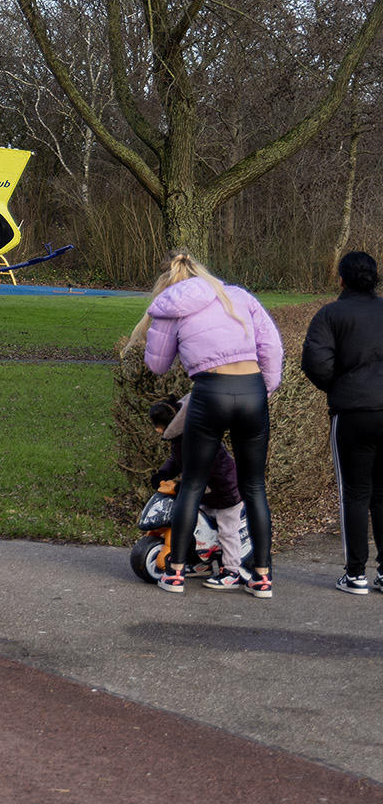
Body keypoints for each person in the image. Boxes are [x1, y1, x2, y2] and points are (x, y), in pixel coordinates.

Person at [132, 249, 284, 597]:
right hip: (252, 392)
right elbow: (271, 345)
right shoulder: (238, 295)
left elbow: (156, 365)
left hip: (210, 392)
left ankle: (175, 573)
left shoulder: (171, 307)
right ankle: (261, 576)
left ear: (169, 282)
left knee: (193, 484)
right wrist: (266, 388)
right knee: (254, 488)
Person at [301, 250, 383, 595]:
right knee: (382, 494)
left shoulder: (330, 314)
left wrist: (341, 386)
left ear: (341, 279)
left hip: (352, 414)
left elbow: (315, 363)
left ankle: (355, 574)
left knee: (355, 493)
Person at [149, 397, 249, 586]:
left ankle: (232, 571)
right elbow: (177, 460)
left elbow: (206, 469)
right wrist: (163, 473)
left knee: (227, 530)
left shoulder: (195, 437)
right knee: (194, 522)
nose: (156, 430)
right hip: (206, 490)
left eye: (158, 426)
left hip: (226, 490)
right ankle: (200, 562)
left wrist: (183, 487)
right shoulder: (180, 437)